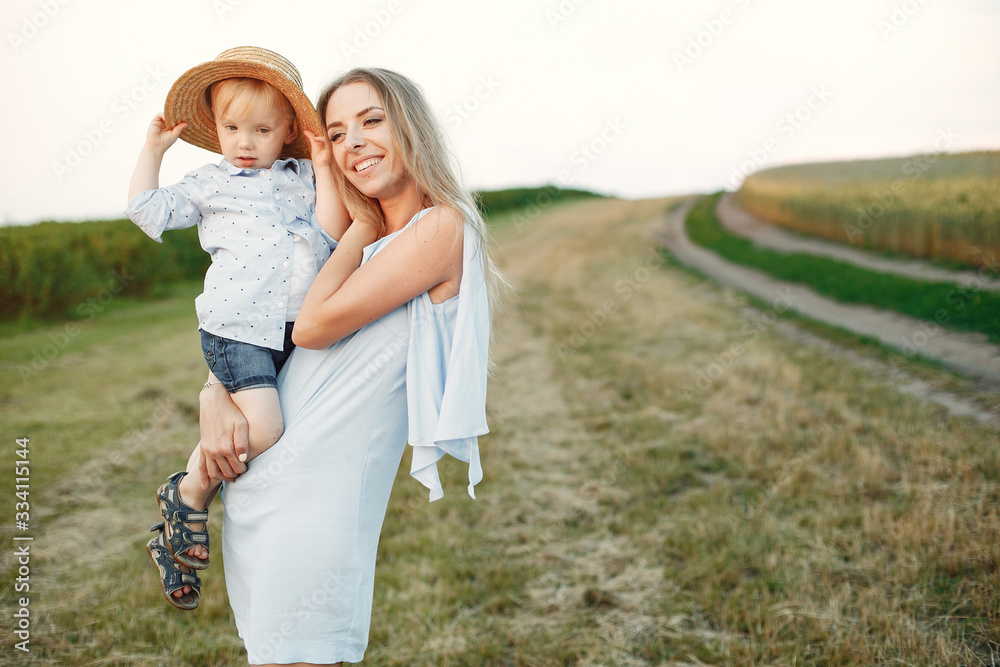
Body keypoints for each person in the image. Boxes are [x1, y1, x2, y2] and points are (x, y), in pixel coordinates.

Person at [197, 67, 504, 665]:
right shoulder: (343, 245)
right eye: (335, 134)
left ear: (411, 126)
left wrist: (359, 229)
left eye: (371, 121)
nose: (353, 142)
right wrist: (213, 392)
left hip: (321, 507)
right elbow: (255, 324)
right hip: (261, 490)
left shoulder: (439, 228)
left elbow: (311, 326)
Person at [125, 47, 352, 610]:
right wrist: (153, 150)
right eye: (231, 128)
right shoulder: (209, 182)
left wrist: (324, 164)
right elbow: (146, 210)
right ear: (216, 130)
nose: (244, 142)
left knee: (262, 433)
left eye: (261, 129)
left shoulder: (302, 176)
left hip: (292, 329)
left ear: (288, 132)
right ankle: (189, 491)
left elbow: (328, 235)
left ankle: (174, 530)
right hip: (237, 329)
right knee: (267, 431)